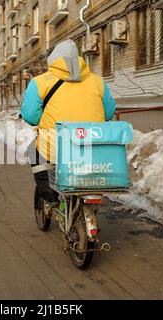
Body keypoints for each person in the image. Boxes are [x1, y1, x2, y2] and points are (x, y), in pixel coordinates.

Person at [21, 39, 116, 204]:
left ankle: (51, 198)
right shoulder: (97, 81)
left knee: (34, 152)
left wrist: (45, 119)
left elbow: (30, 116)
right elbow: (108, 112)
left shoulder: (39, 82)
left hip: (56, 146)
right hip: (92, 143)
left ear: (53, 60)